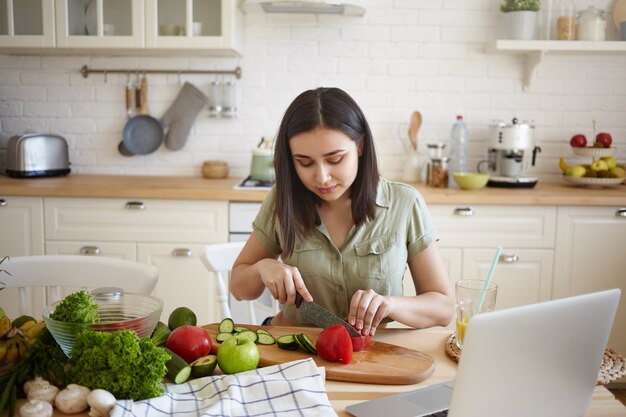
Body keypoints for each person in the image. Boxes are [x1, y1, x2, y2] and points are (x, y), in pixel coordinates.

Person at [231, 87, 454, 336]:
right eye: (304, 163)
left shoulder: (404, 203)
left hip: (371, 353)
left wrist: (390, 304)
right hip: (293, 346)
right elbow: (239, 288)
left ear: (360, 146)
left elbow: (444, 309)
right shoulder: (281, 202)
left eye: (335, 159)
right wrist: (264, 267)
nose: (322, 177)